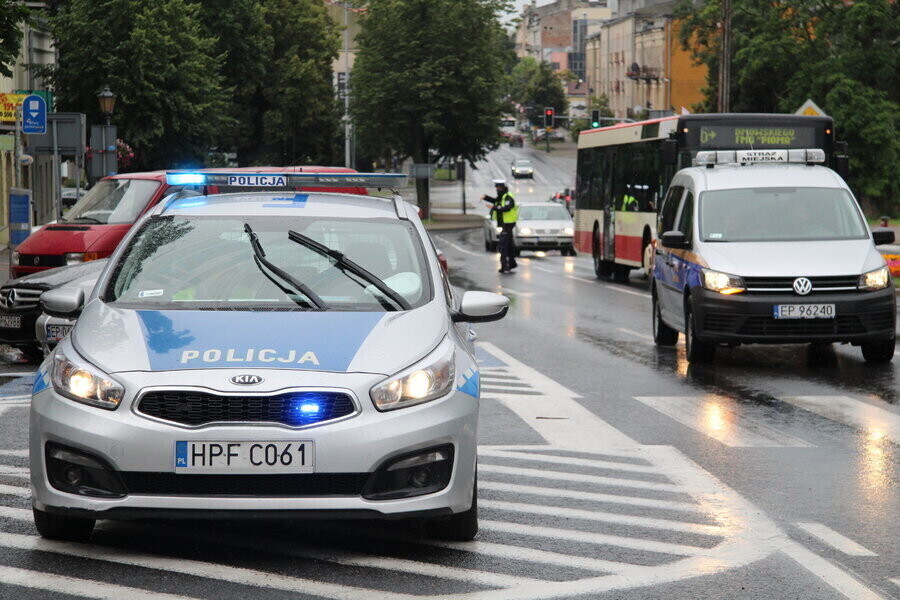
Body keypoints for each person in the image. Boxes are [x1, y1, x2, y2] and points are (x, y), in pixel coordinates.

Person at [482, 179, 519, 273]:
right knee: (509, 245)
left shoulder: (508, 197)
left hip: (508, 224)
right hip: (505, 224)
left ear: (502, 187)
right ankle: (511, 263)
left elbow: (507, 208)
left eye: (498, 187)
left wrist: (494, 207)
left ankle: (504, 266)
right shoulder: (502, 196)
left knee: (502, 246)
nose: (496, 189)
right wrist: (485, 197)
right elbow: (495, 200)